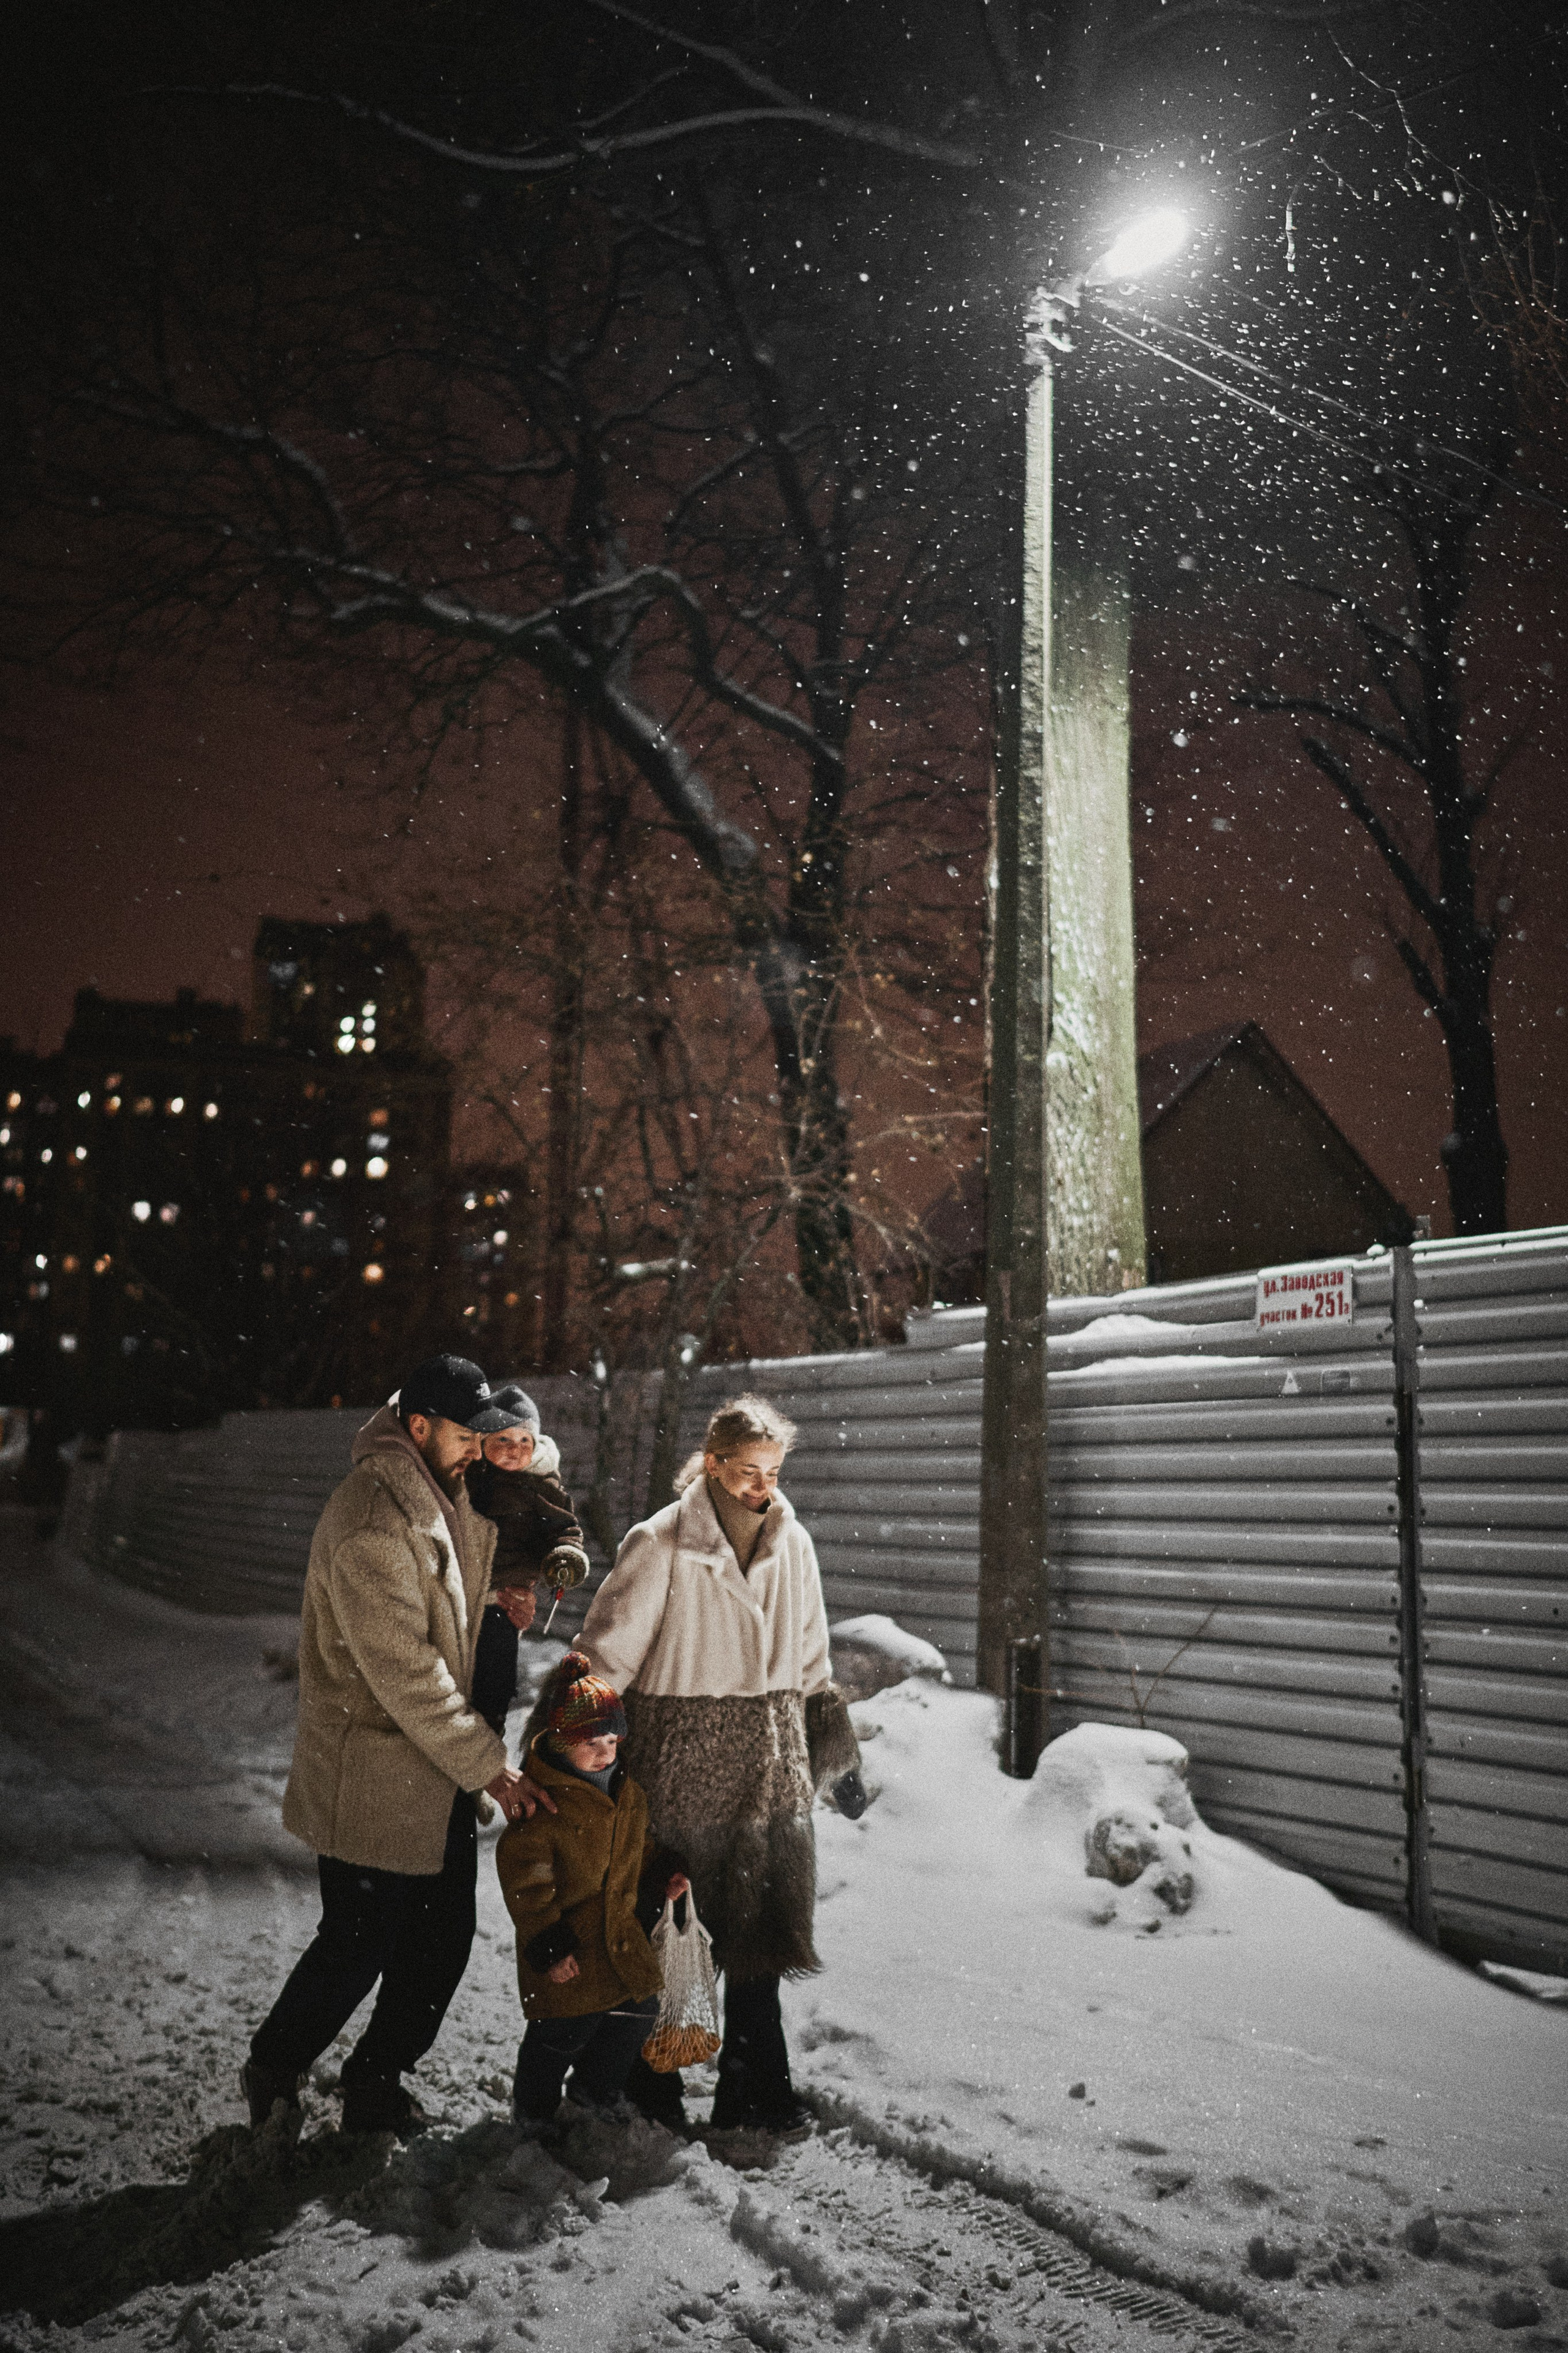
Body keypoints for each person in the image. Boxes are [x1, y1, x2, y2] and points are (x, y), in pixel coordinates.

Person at [242, 1354, 537, 2137]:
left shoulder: (448, 1493)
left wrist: (508, 1594)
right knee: (357, 1944)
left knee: (439, 1945)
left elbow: (462, 1605)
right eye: (464, 1433)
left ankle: (376, 2076)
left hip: (435, 1773)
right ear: (417, 1428)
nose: (479, 1445)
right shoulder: (372, 1519)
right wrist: (490, 1767)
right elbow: (407, 1673)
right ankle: (274, 2064)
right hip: (374, 1771)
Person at [575, 1394, 862, 2137]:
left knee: (758, 1938)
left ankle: (755, 2086)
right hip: (679, 1771)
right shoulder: (661, 1542)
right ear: (711, 1464)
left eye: (772, 1471)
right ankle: (647, 2087)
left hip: (769, 1768)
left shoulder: (792, 1542)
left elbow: (810, 1652)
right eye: (747, 1471)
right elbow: (603, 1658)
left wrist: (827, 1745)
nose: (762, 1485)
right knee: (670, 1935)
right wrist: (576, 1753)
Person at [497, 1651, 690, 2131]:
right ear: (562, 1742)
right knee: (560, 2033)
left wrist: (662, 1871)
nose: (605, 1753)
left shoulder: (628, 1794)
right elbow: (527, 1883)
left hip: (618, 1941)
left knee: (637, 2011)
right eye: (591, 1743)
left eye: (611, 1741)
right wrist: (549, 1942)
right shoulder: (546, 1804)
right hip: (569, 1947)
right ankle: (534, 2110)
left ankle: (594, 2090)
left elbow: (636, 1849)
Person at [467, 1383, 590, 1739]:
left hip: (504, 1601)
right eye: (503, 1440)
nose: (514, 1450)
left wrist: (564, 1555)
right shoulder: (470, 1478)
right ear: (484, 1441)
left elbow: (564, 1528)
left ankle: (488, 1745)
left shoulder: (539, 1485)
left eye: (525, 1441)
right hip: (462, 1594)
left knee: (493, 1686)